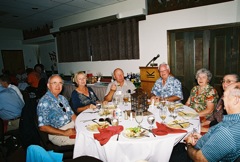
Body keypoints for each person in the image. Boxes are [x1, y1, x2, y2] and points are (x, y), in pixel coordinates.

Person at [181, 82, 240, 162]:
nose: (222, 98)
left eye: (225, 95)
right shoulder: (234, 122)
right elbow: (221, 144)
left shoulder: (226, 132)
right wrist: (204, 139)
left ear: (236, 100)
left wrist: (189, 144)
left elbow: (199, 159)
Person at [37, 74, 76, 146]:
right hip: (58, 133)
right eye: (54, 83)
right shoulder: (44, 102)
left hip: (71, 126)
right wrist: (65, 133)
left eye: (60, 83)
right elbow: (43, 127)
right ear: (48, 85)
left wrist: (78, 125)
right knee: (85, 139)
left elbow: (72, 115)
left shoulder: (62, 98)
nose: (58, 86)